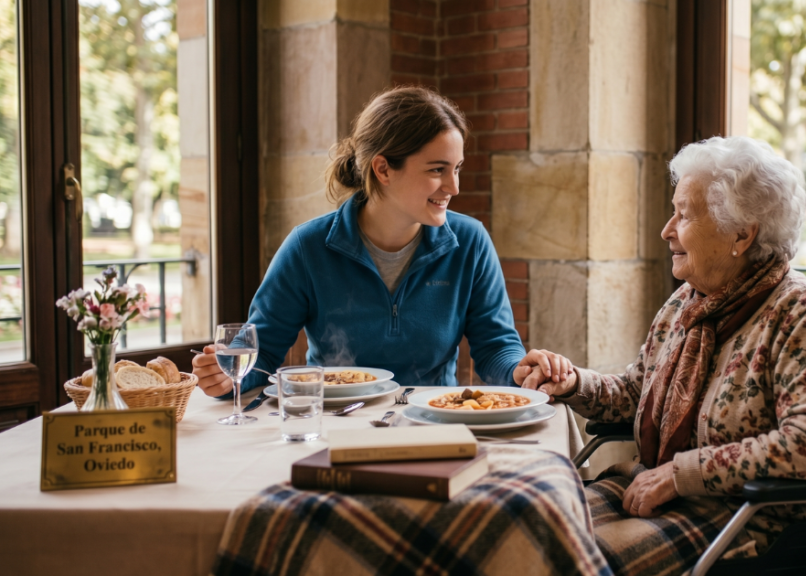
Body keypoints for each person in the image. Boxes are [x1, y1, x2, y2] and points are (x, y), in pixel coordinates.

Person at [517, 136, 806, 574]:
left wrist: (682, 473)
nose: (667, 229)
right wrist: (573, 382)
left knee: (566, 563)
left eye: (684, 215)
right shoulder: (688, 303)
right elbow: (634, 391)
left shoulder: (803, 313)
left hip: (752, 517)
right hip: (659, 489)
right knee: (523, 525)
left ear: (741, 233)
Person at [193, 87, 571, 397]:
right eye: (437, 170)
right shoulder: (308, 247)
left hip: (434, 422)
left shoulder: (470, 242)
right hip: (332, 426)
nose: (454, 187)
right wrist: (226, 380)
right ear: (383, 169)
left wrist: (521, 371)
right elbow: (262, 355)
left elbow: (495, 348)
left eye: (456, 169)